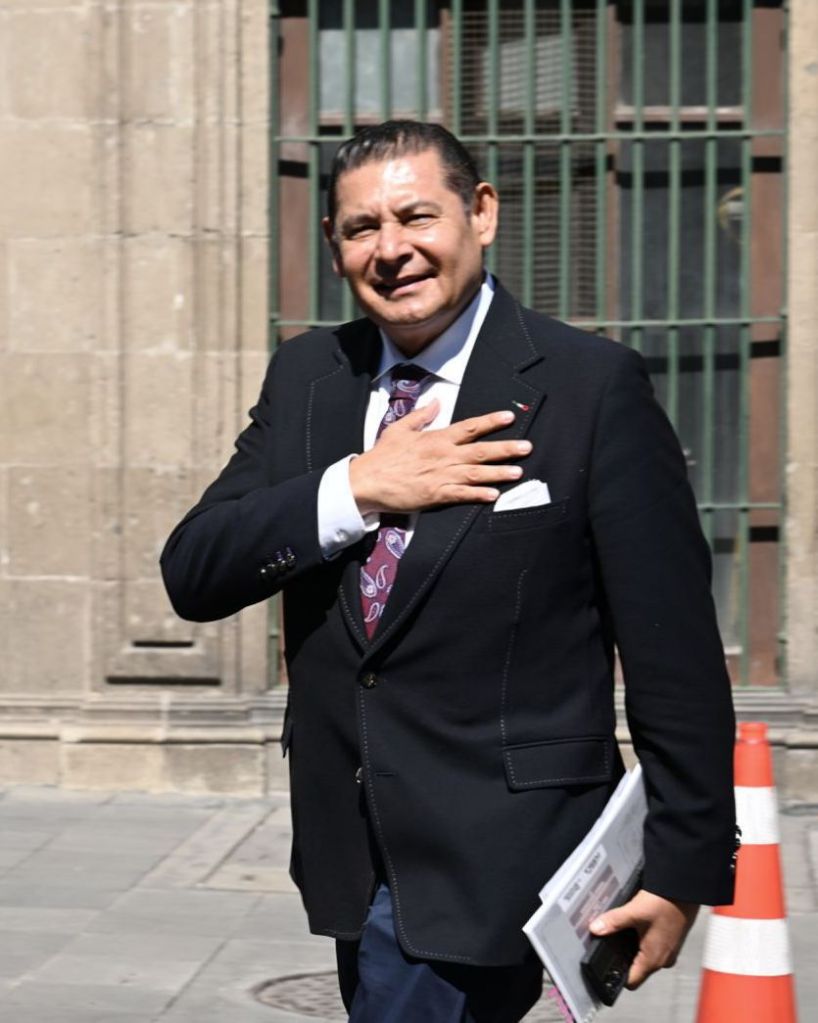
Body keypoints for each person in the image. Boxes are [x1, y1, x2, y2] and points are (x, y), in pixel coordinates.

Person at [161, 120, 736, 1022]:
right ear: (334, 244)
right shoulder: (310, 375)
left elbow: (676, 656)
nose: (391, 249)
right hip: (353, 851)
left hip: (510, 853)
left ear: (482, 213)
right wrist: (356, 486)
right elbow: (195, 569)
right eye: (362, 228)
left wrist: (681, 867)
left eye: (417, 216)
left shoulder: (591, 387)